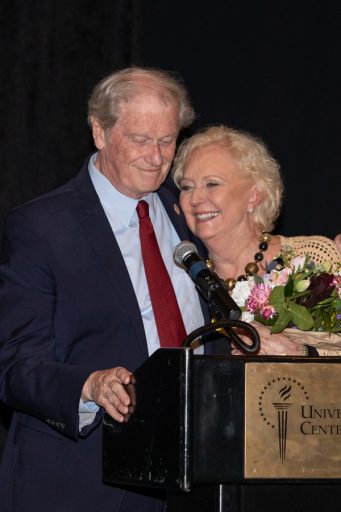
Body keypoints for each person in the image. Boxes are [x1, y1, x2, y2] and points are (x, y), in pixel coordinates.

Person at [0, 67, 211, 512]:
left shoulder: (185, 213)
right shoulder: (41, 228)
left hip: (191, 481)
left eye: (167, 140)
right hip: (83, 482)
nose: (156, 157)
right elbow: (15, 366)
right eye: (140, 140)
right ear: (100, 132)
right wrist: (89, 385)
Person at [172, 124, 341, 357]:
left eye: (212, 184)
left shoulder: (312, 258)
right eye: (186, 187)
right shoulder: (184, 283)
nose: (195, 198)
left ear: (253, 195)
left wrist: (301, 354)